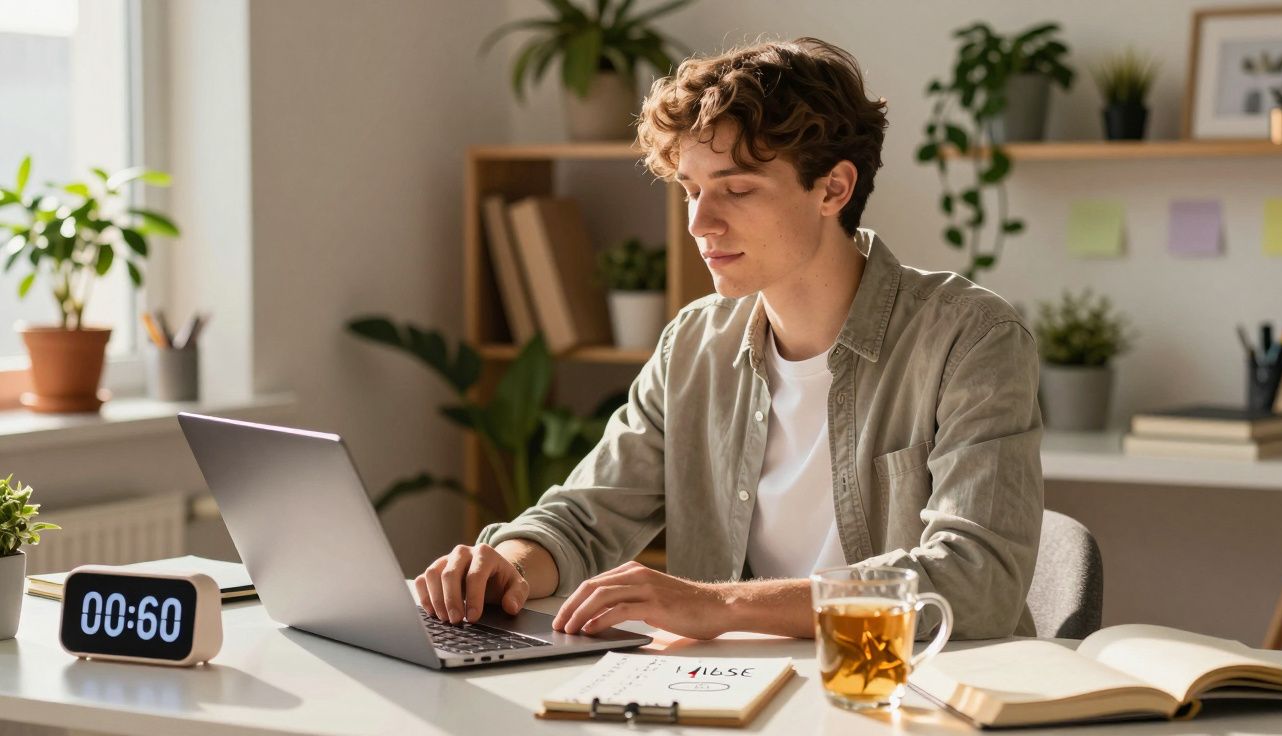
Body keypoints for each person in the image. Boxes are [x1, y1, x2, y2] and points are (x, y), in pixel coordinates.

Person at [416, 36, 1043, 641]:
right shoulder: (693, 344)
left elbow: (976, 581)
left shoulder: (971, 338)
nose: (698, 223)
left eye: (736, 189)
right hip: (733, 696)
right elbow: (582, 519)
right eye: (691, 190)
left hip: (909, 694)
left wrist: (719, 605)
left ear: (834, 188)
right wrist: (511, 565)